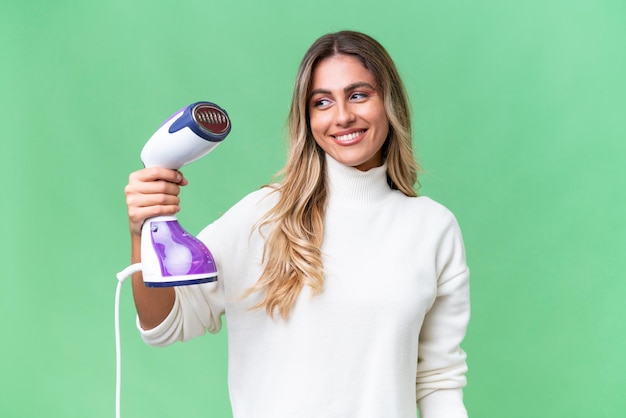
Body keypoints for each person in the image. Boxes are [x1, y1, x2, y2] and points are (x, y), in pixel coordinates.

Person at [125, 30, 470, 418]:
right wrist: (143, 231)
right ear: (307, 119)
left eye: (358, 94)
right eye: (322, 102)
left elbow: (439, 378)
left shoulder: (433, 227)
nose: (343, 116)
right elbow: (163, 326)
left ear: (388, 103)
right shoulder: (260, 217)